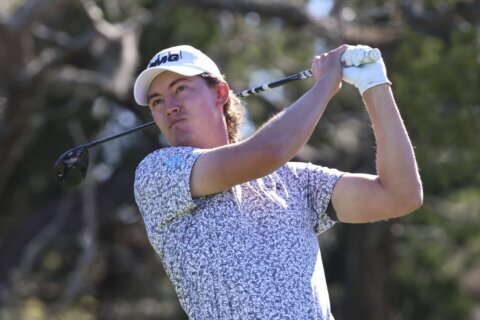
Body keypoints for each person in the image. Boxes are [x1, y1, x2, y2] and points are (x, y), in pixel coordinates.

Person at [133, 44, 422, 319]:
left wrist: (374, 86)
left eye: (180, 89)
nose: (169, 107)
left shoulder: (294, 180)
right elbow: (267, 151)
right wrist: (325, 85)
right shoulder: (158, 173)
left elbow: (400, 195)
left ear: (220, 92)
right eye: (157, 101)